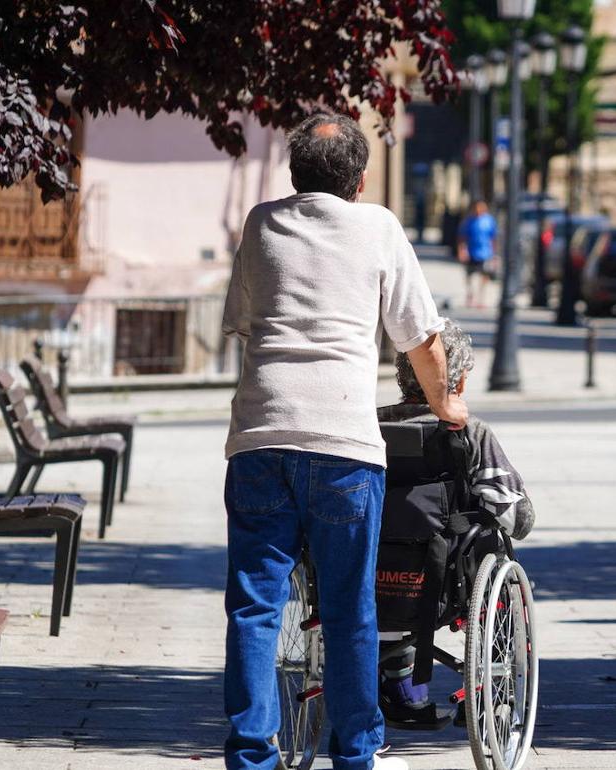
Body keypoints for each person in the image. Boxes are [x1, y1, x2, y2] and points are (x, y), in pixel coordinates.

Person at [221, 112, 469, 770]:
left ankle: (251, 755)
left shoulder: (261, 223)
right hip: (343, 448)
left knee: (253, 606)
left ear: (294, 175)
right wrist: (446, 405)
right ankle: (355, 755)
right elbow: (420, 336)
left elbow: (245, 323)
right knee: (349, 608)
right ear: (360, 181)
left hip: (261, 438)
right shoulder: (380, 227)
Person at [375, 319, 535, 727]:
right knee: (497, 552)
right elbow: (515, 517)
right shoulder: (471, 431)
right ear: (459, 383)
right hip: (449, 579)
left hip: (372, 571)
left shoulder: (369, 425)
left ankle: (398, 685)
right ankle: (484, 694)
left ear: (402, 375)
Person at [456, 200, 498, 309]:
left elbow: (493, 238)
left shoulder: (489, 221)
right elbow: (462, 237)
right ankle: (470, 295)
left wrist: (494, 254)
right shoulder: (469, 221)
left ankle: (481, 298)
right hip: (472, 252)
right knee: (469, 275)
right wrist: (462, 250)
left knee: (484, 276)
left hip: (485, 253)